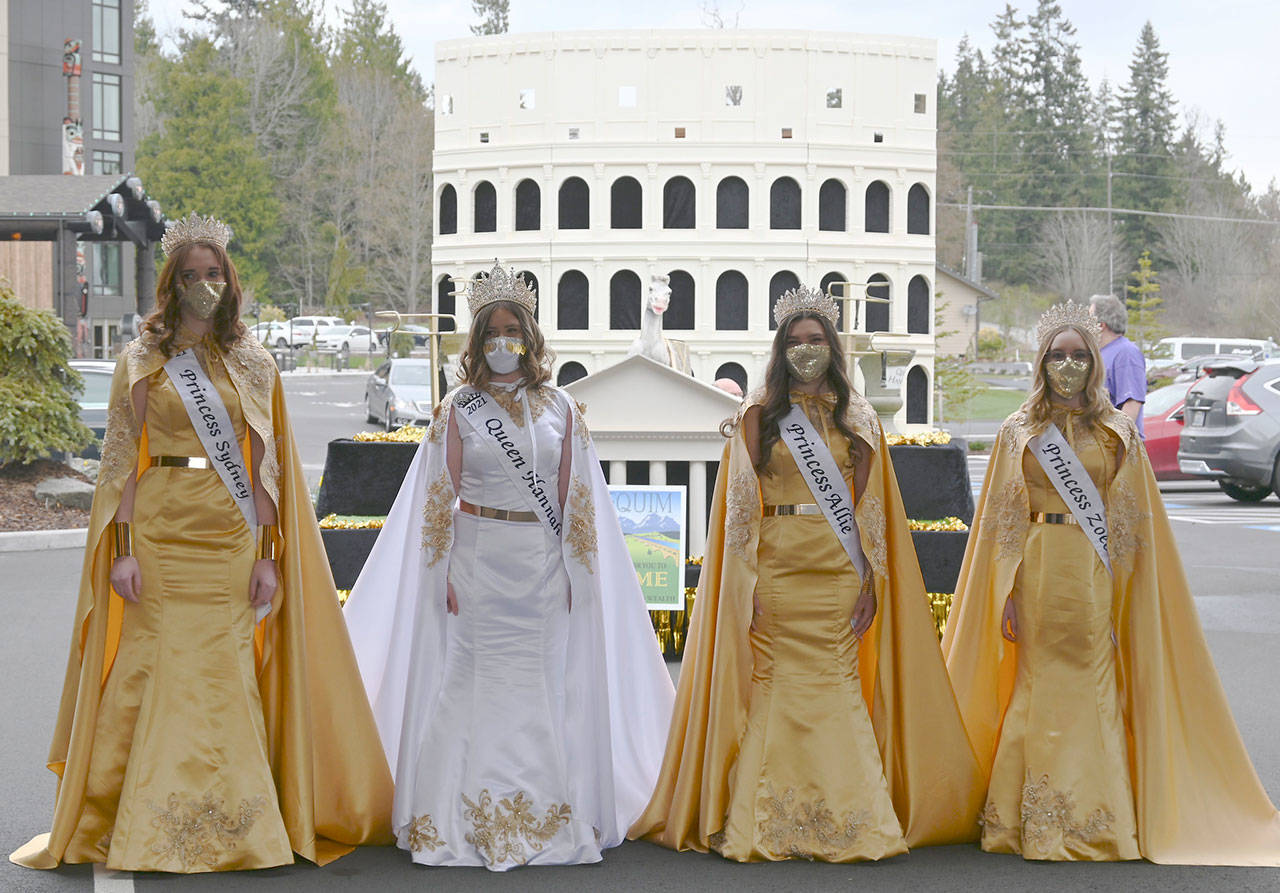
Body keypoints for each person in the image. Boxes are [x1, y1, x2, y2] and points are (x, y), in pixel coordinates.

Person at [10, 214, 394, 873]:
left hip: (229, 537)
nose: (204, 285)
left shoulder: (254, 361)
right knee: (157, 672)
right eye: (191, 275)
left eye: (214, 274)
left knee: (227, 677)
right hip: (158, 532)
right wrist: (123, 547)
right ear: (171, 283)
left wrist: (271, 558)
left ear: (231, 281)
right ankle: (147, 823)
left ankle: (238, 825)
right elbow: (120, 463)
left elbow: (266, 467)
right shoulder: (141, 359)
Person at [629, 286, 984, 862]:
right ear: (779, 349)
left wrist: (871, 582)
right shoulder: (759, 416)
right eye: (795, 341)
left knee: (837, 687)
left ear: (833, 347)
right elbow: (740, 510)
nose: (806, 350)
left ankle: (850, 819)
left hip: (838, 571)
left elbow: (872, 513)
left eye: (816, 340)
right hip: (775, 568)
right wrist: (742, 586)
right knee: (774, 686)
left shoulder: (859, 416)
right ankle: (767, 820)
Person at [342, 263, 675, 871]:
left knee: (542, 688)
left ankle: (545, 813)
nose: (501, 342)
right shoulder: (457, 408)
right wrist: (438, 572)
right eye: (490, 331)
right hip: (475, 562)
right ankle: (455, 815)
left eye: (511, 330)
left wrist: (580, 573)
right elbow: (440, 496)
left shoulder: (561, 407)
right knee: (468, 683)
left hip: (543, 569)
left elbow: (576, 498)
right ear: (476, 340)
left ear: (529, 336)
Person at [943, 301, 1280, 864]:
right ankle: (1025, 816)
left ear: (1096, 363)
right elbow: (1002, 520)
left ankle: (1095, 819)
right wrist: (1006, 591)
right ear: (1042, 361)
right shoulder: (1017, 430)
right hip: (1037, 566)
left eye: (1080, 355)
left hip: (1093, 573)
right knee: (1035, 682)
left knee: (1092, 683)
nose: (1068, 365)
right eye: (1058, 355)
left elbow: (1131, 526)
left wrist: (1132, 593)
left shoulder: (1117, 430)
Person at [1089, 294, 1146, 437]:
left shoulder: (1126, 353)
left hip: (1117, 451)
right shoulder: (1098, 354)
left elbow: (1131, 404)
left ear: (1101, 325)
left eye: (1089, 319)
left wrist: (1115, 444)